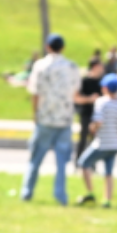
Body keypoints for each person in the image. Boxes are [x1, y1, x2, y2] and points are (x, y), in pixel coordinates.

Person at [22, 33, 79, 205]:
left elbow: (35, 93)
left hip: (45, 118)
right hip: (65, 119)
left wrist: (35, 113)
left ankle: (27, 191)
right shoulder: (71, 67)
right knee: (62, 162)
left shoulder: (40, 66)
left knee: (35, 158)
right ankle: (61, 195)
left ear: (47, 46)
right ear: (62, 48)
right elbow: (75, 92)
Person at [77, 73, 117, 208]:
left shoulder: (101, 102)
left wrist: (92, 128)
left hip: (102, 143)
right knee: (109, 172)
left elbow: (98, 121)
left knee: (83, 163)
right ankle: (107, 200)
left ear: (104, 88)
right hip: (114, 144)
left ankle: (90, 192)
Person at [73, 57, 103, 154]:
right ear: (95, 67)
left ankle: (91, 163)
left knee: (95, 140)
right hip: (86, 113)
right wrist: (90, 99)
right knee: (83, 138)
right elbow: (77, 98)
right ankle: (78, 161)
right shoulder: (84, 81)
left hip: (97, 114)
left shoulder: (101, 82)